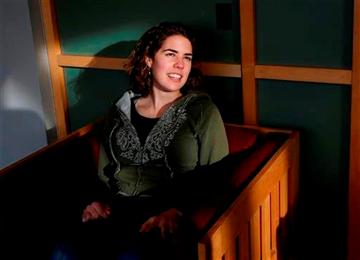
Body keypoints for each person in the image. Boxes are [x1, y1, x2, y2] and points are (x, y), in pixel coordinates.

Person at [52, 21, 229, 260]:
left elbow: (217, 176)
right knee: (63, 252)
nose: (181, 64)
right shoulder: (120, 109)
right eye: (170, 54)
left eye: (187, 57)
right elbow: (104, 172)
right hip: (117, 212)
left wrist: (177, 210)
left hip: (166, 217)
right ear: (148, 59)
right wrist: (93, 200)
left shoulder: (202, 110)